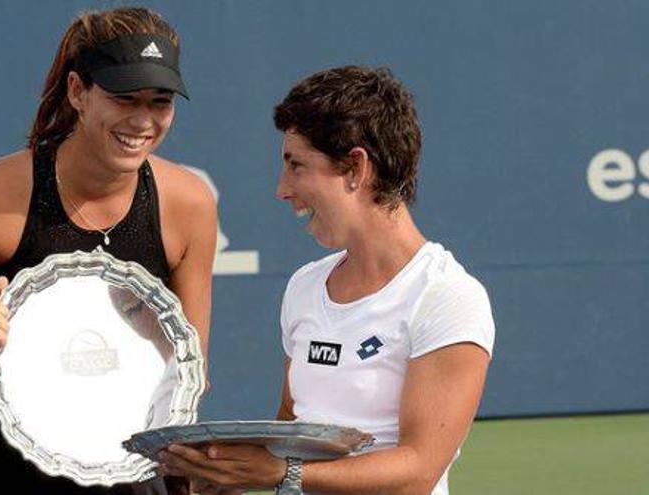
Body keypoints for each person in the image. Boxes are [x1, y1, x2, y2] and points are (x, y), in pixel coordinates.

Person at [0, 7, 217, 494]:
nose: (143, 120)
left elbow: (189, 372)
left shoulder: (189, 203)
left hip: (130, 479)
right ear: (77, 92)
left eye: (160, 101)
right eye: (124, 98)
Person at [158, 66, 495, 495]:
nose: (282, 188)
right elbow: (291, 429)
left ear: (356, 167)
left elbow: (418, 470)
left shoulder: (447, 297)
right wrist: (226, 472)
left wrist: (281, 474)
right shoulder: (304, 286)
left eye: (296, 165)